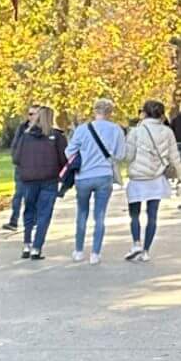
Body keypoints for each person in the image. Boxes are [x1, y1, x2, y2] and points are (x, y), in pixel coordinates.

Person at [65, 97, 126, 262]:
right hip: (104, 176)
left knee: (82, 213)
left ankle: (78, 250)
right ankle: (95, 253)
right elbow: (120, 155)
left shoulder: (83, 129)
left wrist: (82, 157)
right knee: (100, 216)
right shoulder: (116, 130)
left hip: (83, 176)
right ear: (110, 112)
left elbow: (69, 151)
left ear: (94, 111)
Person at [124, 99, 181, 260]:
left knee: (134, 215)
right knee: (152, 216)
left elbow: (128, 156)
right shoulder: (167, 132)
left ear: (144, 113)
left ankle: (136, 243)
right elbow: (174, 157)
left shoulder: (135, 132)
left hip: (137, 178)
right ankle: (146, 251)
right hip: (156, 179)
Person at [11, 104, 68, 258]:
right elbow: (64, 159)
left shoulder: (26, 136)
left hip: (29, 179)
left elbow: (16, 158)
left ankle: (26, 244)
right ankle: (37, 247)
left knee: (29, 211)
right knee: (44, 213)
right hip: (49, 178)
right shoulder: (57, 136)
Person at [0, 104, 40, 230]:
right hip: (22, 167)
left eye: (33, 114)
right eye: (30, 114)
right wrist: (16, 159)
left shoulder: (42, 129)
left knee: (33, 194)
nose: (31, 117)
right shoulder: (22, 128)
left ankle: (33, 220)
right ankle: (14, 221)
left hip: (36, 167)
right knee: (19, 194)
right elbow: (15, 145)